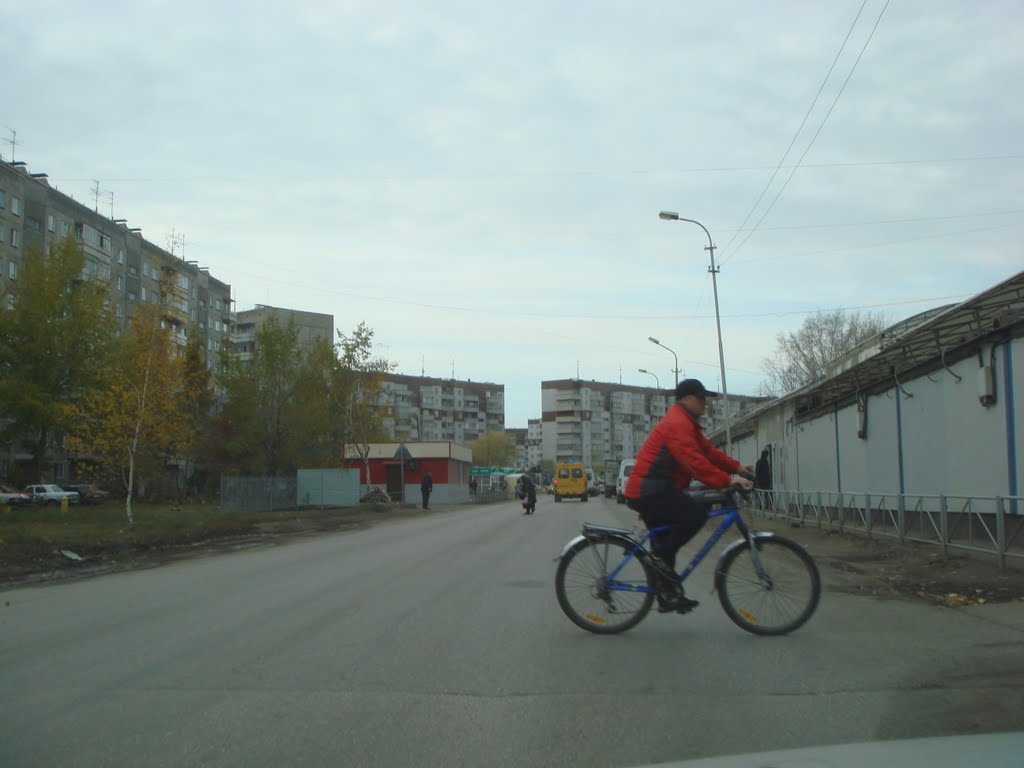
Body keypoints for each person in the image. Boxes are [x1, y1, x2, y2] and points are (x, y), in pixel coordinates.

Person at [624, 379, 754, 614]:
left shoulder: (686, 423)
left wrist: (737, 468)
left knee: (666, 540)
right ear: (688, 399)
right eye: (702, 399)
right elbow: (694, 462)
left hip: (656, 489)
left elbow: (708, 452)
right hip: (649, 491)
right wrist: (727, 480)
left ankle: (667, 594)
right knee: (695, 513)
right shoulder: (677, 424)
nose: (706, 404)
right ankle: (660, 561)